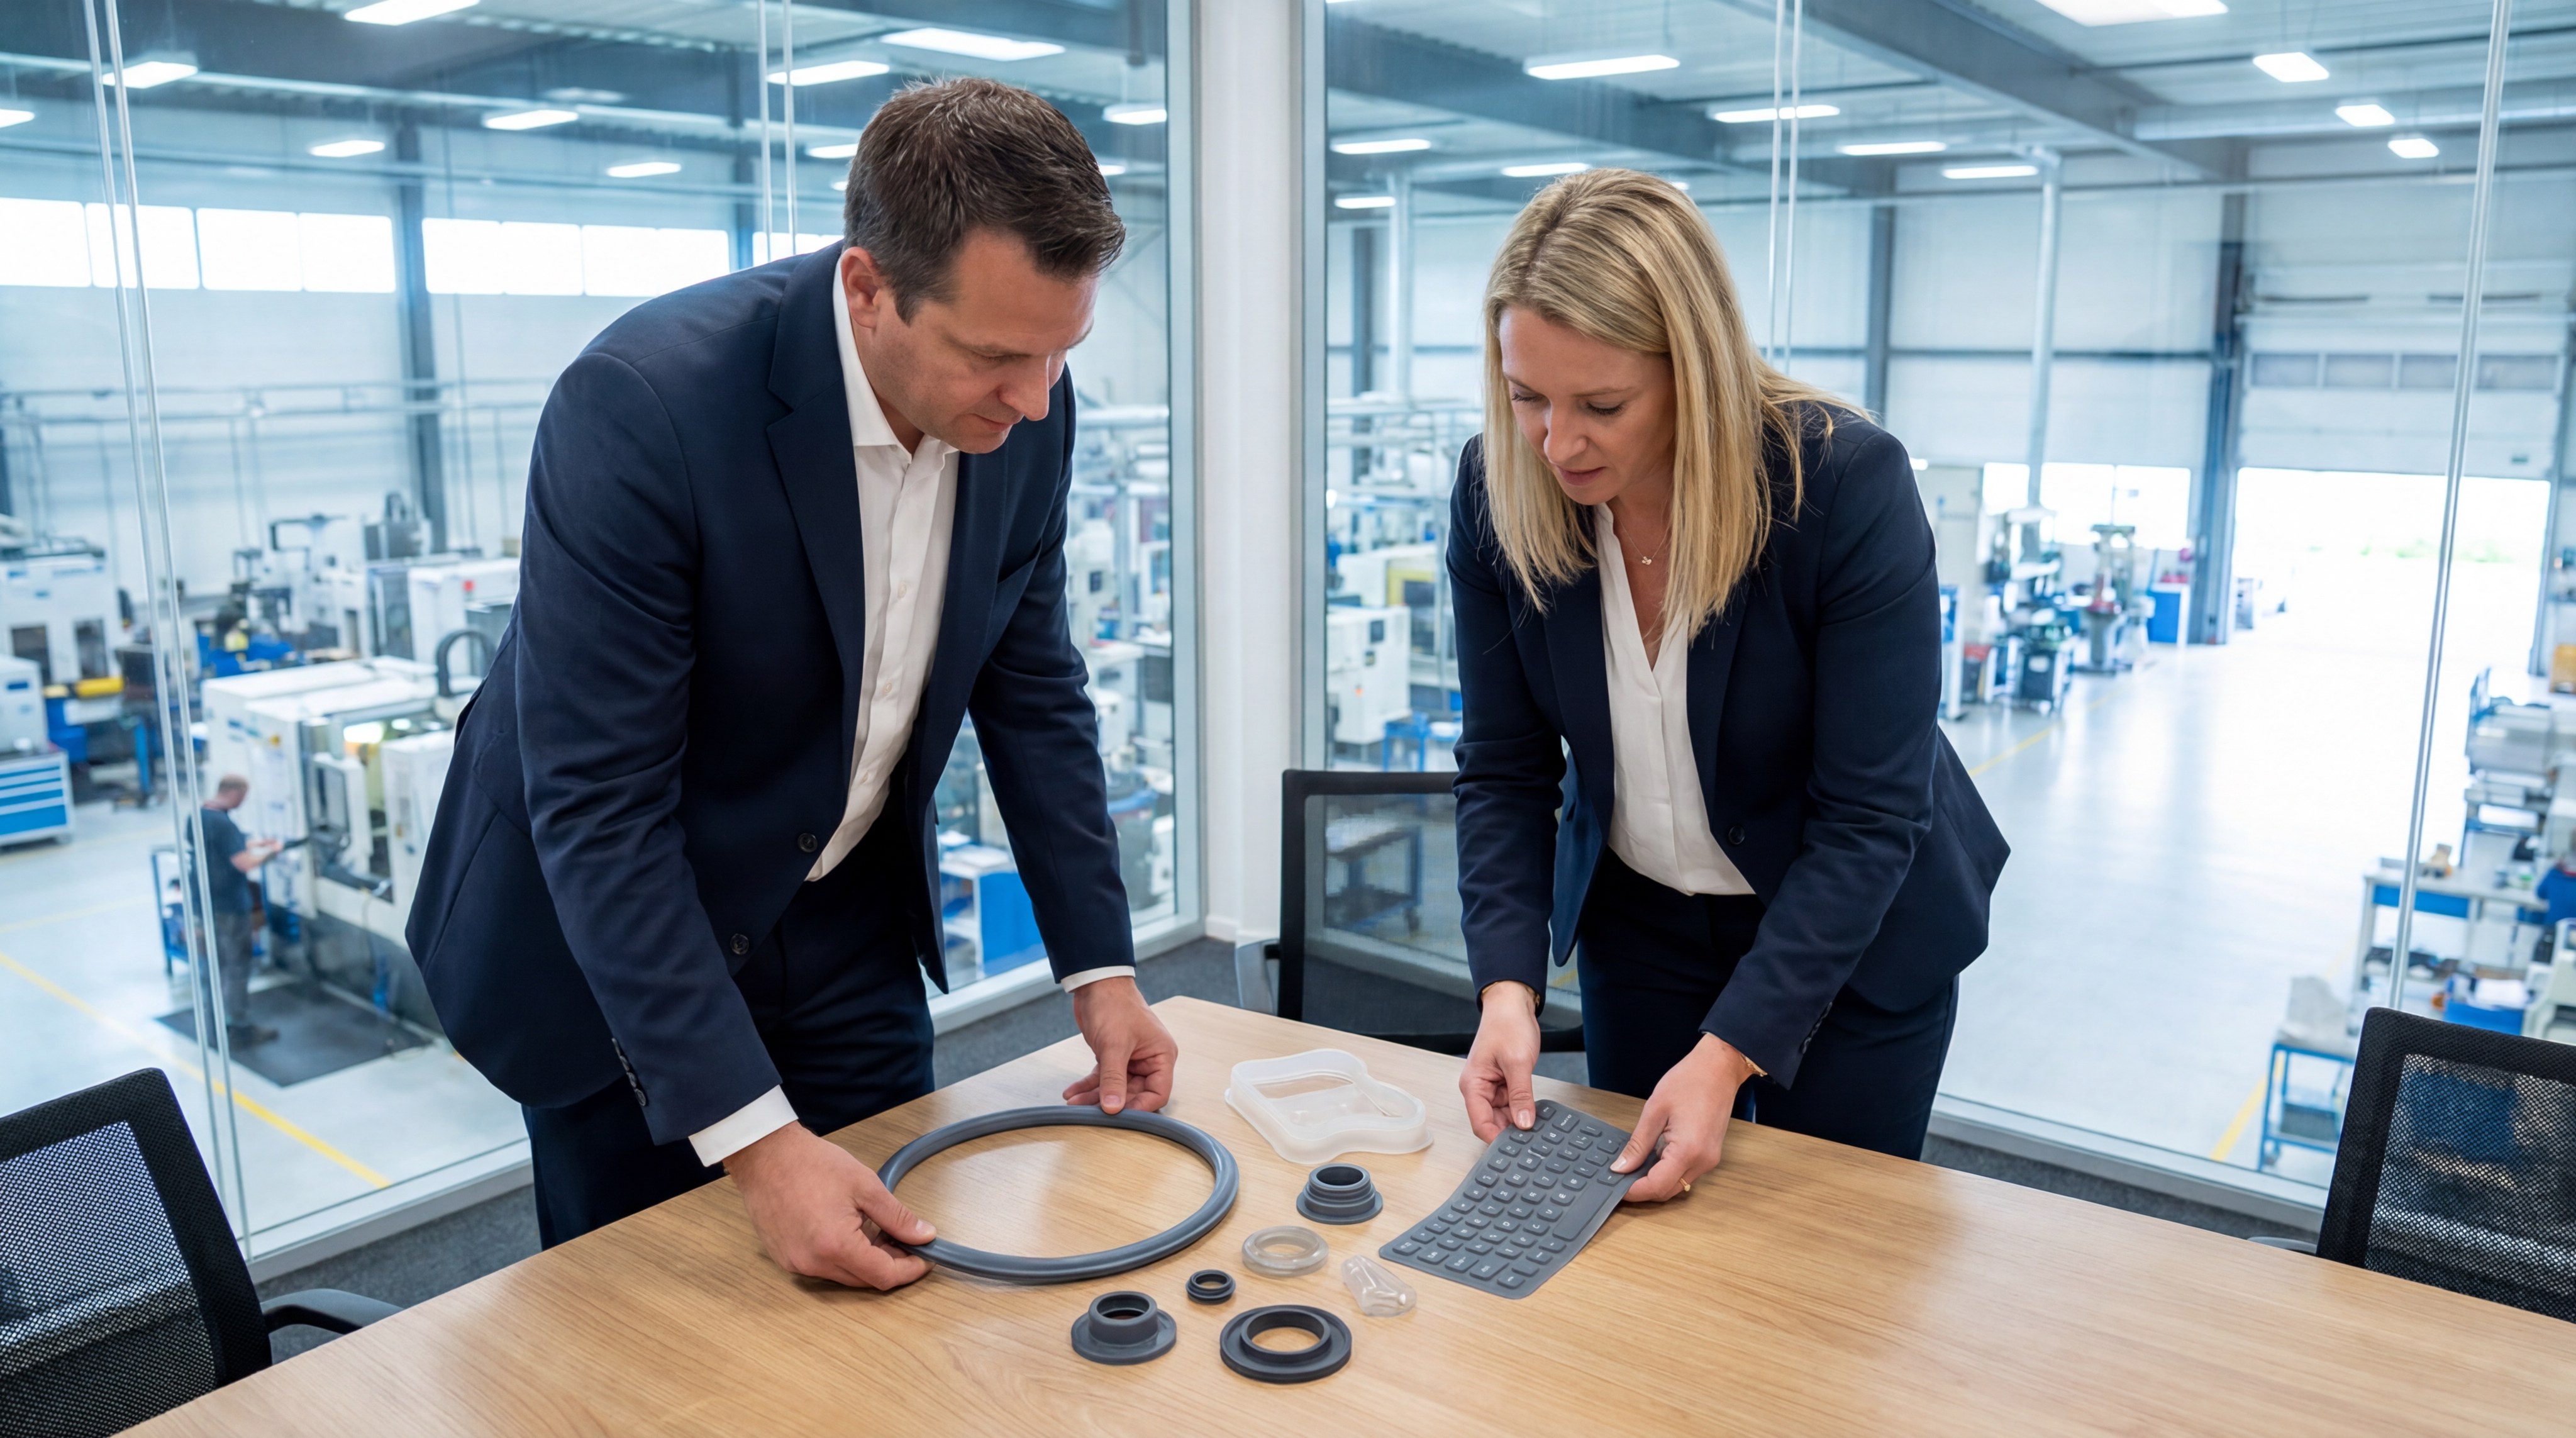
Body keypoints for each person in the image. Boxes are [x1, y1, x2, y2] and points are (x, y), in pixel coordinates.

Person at [406, 78, 1176, 1289]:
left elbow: (1031, 685)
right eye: (995, 357)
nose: (1034, 400)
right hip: (615, 948)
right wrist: (758, 1143)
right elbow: (601, 808)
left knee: (900, 1274)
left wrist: (1102, 970)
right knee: (647, 1328)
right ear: (869, 291)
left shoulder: (1031, 400)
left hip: (842, 915)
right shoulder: (643, 409)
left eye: (1058, 352)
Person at [1448, 170, 2009, 1201]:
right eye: (1527, 397)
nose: (1556, 442)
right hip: (1643, 924)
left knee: (1831, 1261)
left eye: (1602, 405)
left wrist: (1729, 1051)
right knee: (1643, 1243)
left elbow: (1869, 818)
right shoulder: (1500, 496)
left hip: (1851, 941)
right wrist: (1506, 985)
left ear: (1694, 372)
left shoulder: (1842, 487)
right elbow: (1504, 770)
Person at [198, 774, 282, 1048]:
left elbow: (223, 848)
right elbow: (244, 865)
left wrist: (255, 844)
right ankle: (239, 1027)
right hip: (231, 906)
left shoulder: (201, 816)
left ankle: (217, 1025)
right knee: (237, 966)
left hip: (208, 903)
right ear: (234, 794)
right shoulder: (224, 824)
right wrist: (273, 852)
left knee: (220, 966)